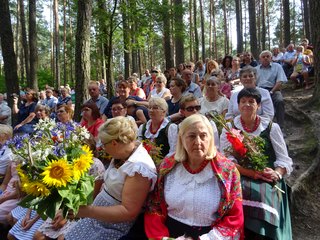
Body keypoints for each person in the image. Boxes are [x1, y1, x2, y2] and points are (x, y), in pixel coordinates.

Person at [144, 114, 244, 240]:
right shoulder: (166, 167)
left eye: (203, 136)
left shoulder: (228, 171)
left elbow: (235, 216)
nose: (198, 142)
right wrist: (162, 238)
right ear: (181, 139)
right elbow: (154, 207)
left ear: (211, 138)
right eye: (191, 136)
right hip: (169, 234)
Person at [63, 116, 157, 240]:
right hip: (98, 220)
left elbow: (128, 212)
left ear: (114, 143)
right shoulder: (124, 152)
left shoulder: (139, 168)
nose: (102, 148)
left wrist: (87, 211)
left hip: (112, 226)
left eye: (103, 143)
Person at [220, 88, 293, 239]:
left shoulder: (271, 127)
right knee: (238, 192)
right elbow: (227, 161)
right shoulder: (229, 128)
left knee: (263, 194)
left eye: (251, 101)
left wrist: (277, 173)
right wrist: (252, 173)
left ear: (258, 106)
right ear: (238, 105)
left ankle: (266, 235)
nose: (247, 104)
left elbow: (284, 158)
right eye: (243, 101)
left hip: (268, 175)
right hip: (241, 173)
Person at [255, 50, 287, 129]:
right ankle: (260, 127)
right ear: (260, 59)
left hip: (274, 89)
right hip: (259, 90)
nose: (265, 58)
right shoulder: (255, 69)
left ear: (271, 58)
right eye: (263, 57)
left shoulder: (277, 66)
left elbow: (280, 81)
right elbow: (253, 83)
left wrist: (271, 91)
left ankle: (280, 127)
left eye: (267, 56)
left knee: (279, 101)